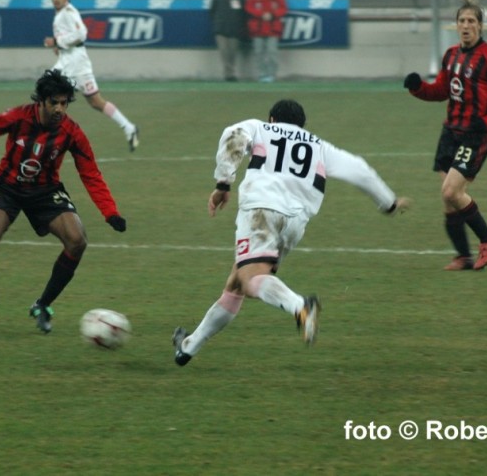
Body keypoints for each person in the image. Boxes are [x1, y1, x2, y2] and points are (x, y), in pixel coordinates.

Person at [171, 99, 410, 366]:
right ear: (302, 126)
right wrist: (387, 202)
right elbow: (359, 170)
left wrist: (223, 184)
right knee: (237, 283)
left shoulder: (261, 128)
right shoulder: (319, 146)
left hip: (261, 210)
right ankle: (188, 346)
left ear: (272, 118)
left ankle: (301, 307)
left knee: (250, 280)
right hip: (296, 222)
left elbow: (233, 135)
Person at [0, 69, 128, 335]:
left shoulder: (72, 132)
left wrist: (110, 212)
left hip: (45, 191)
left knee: (78, 241)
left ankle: (43, 305)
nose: (60, 109)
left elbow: (90, 172)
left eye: (64, 103)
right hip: (8, 188)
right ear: (41, 100)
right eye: (54, 102)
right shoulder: (17, 117)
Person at [403, 0, 487, 271]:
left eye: (471, 21)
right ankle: (463, 256)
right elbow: (442, 91)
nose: (466, 26)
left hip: (474, 134)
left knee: (451, 191)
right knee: (448, 200)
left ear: (480, 26)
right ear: (456, 25)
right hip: (450, 132)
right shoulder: (451, 55)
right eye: (462, 21)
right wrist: (418, 87)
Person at [43, 0, 139, 151]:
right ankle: (129, 127)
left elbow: (81, 34)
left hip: (75, 63)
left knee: (48, 93)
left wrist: (57, 42)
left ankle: (49, 140)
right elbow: (71, 37)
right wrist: (60, 48)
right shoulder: (60, 14)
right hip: (71, 60)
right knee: (95, 102)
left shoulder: (68, 12)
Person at [245, 0, 287, 83]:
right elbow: (249, 8)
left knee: (272, 52)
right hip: (257, 29)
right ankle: (262, 75)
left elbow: (283, 9)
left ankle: (272, 75)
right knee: (258, 53)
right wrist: (261, 14)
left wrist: (272, 15)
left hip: (272, 29)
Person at [210, 0, 248, 82]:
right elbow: (212, 11)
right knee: (224, 52)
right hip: (220, 29)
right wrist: (217, 22)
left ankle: (230, 72)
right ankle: (228, 74)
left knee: (232, 53)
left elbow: (244, 13)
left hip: (235, 30)